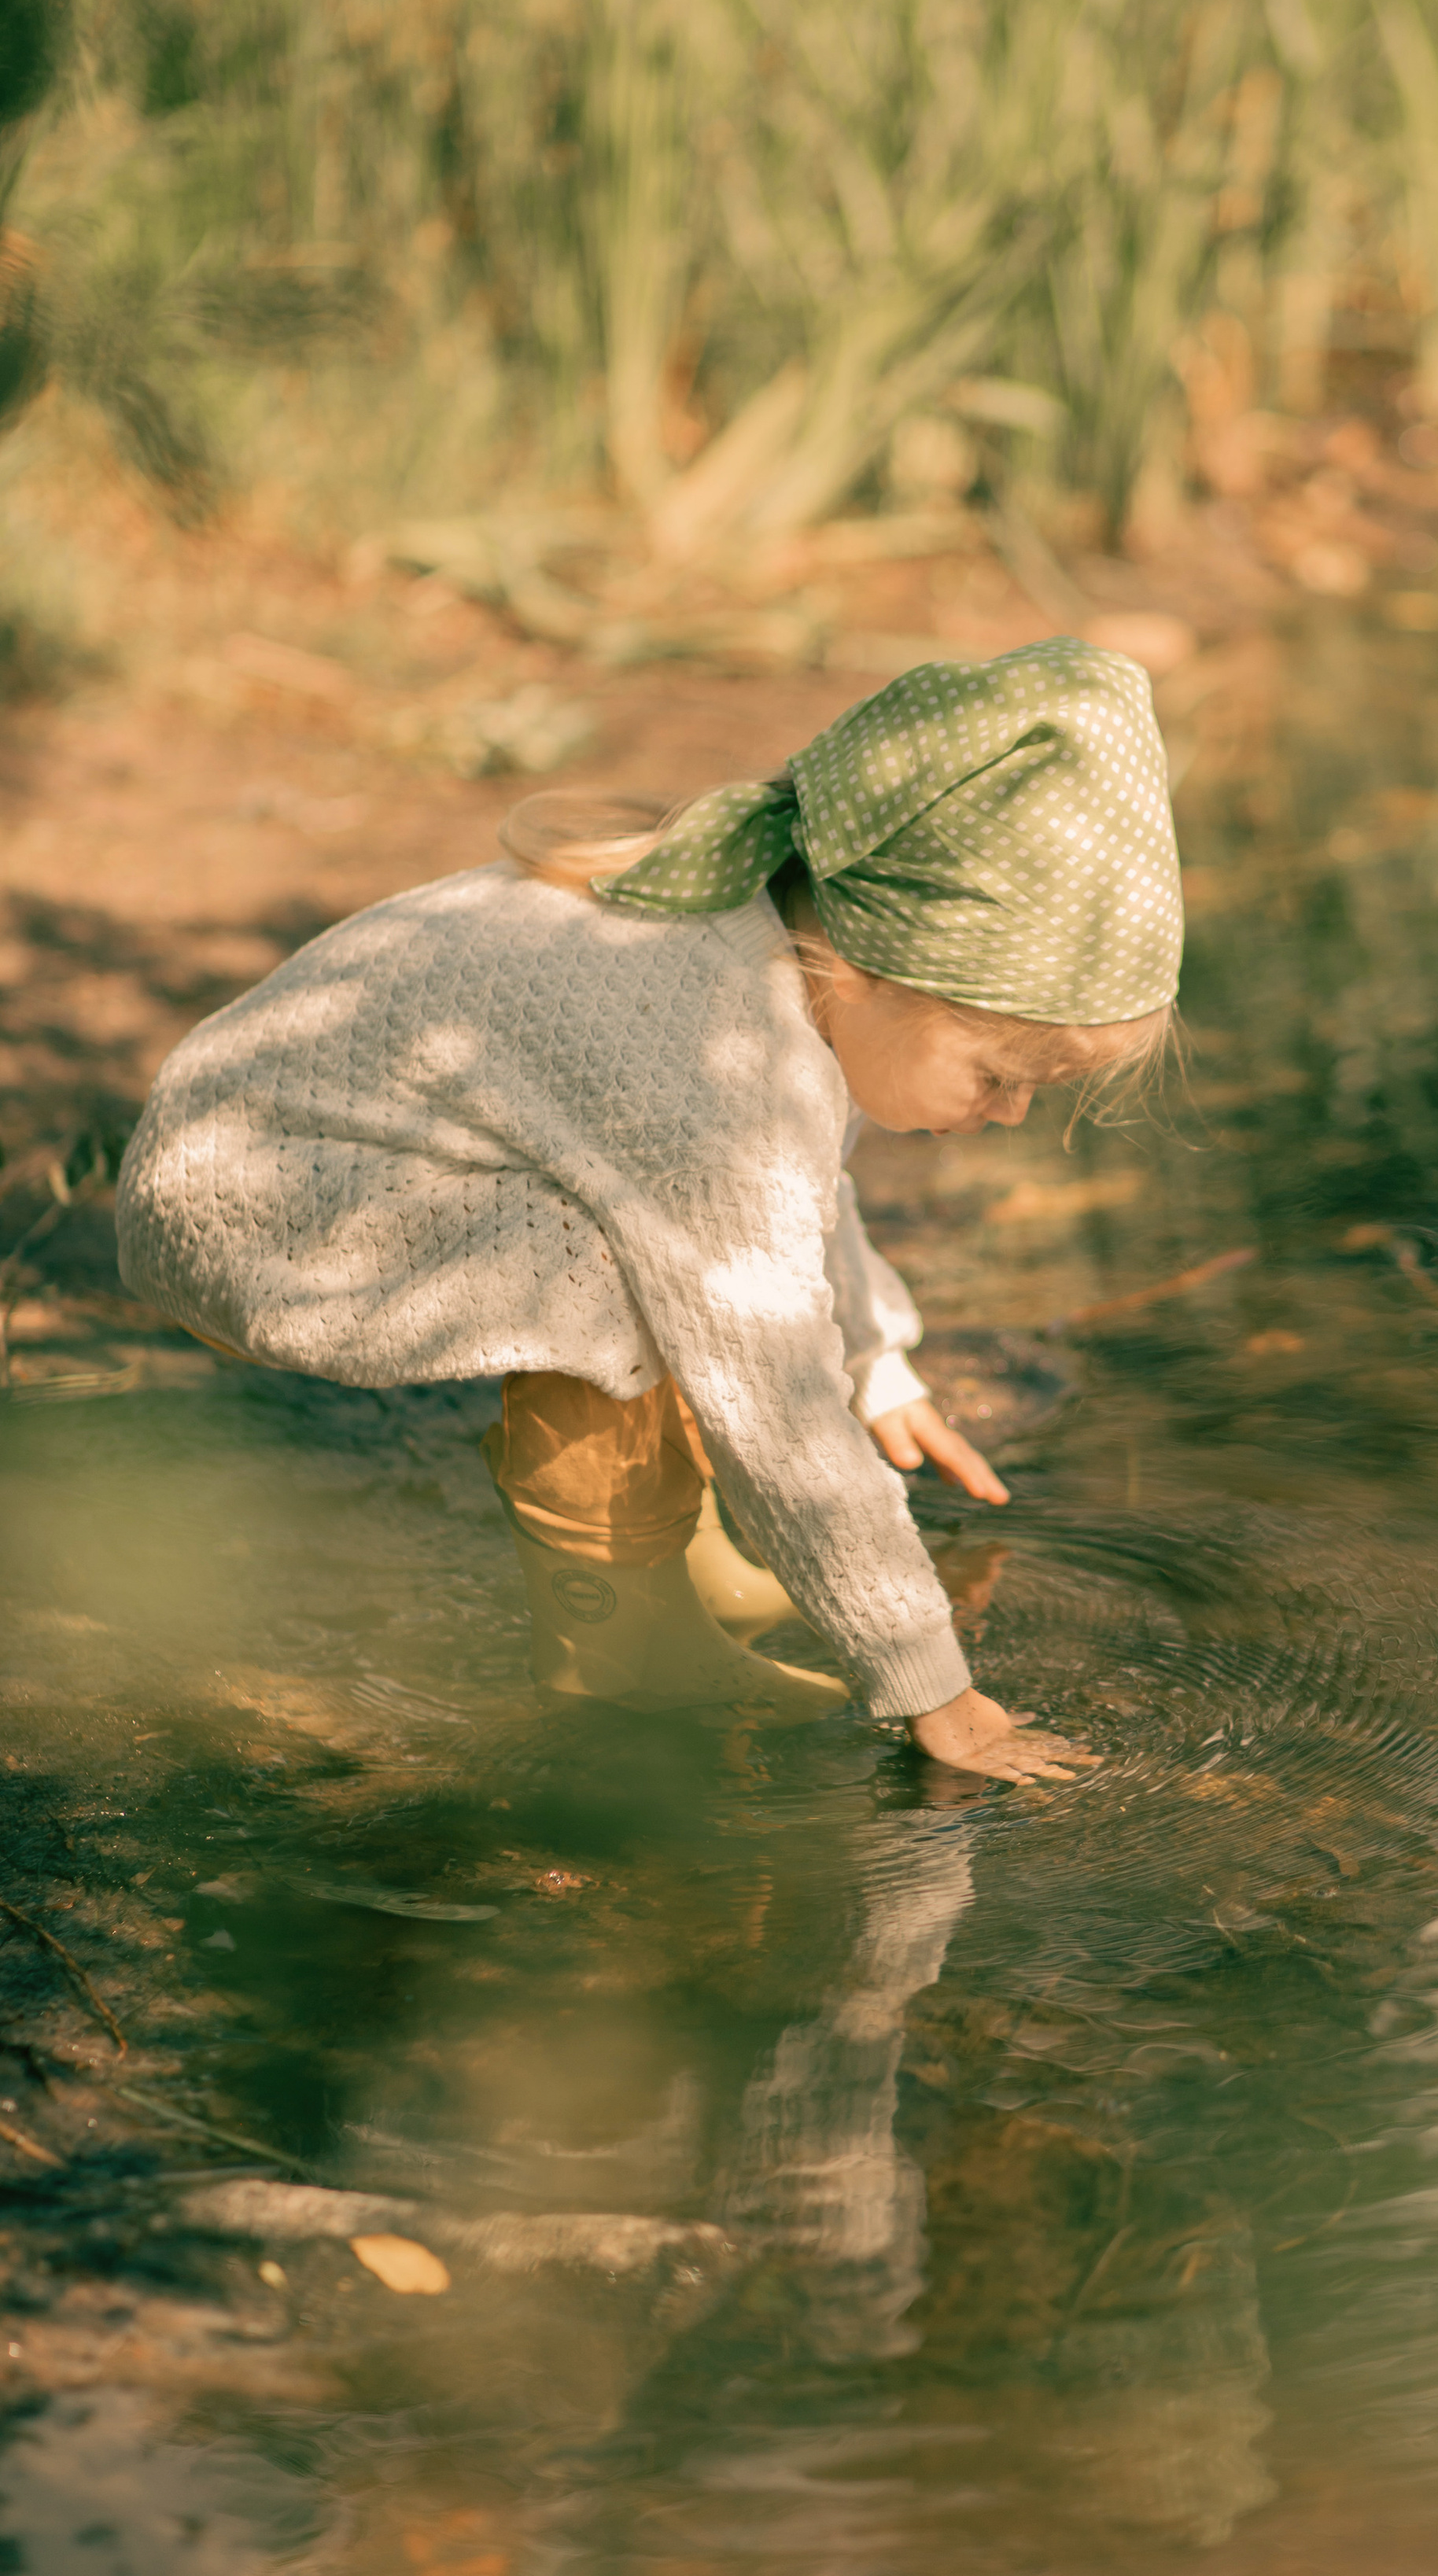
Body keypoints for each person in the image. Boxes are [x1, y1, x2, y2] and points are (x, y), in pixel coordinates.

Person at [115, 638, 1182, 1784]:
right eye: (996, 1075)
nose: (1012, 1114)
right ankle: (618, 1640)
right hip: (257, 1205)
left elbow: (796, 1192)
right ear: (877, 970)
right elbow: (767, 1373)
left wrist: (878, 1357)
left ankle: (682, 1555)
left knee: (688, 1249)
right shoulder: (709, 1055)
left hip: (307, 1164)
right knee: (653, 1276)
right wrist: (930, 1681)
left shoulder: (783, 959)